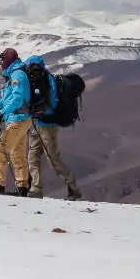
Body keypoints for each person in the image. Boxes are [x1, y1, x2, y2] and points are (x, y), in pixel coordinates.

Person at [27, 60, 83, 200]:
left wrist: (34, 110)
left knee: (53, 159)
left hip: (47, 125)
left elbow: (50, 103)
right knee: (33, 155)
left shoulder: (46, 81)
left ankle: (73, 187)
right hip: (39, 123)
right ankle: (35, 189)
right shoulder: (43, 79)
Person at [0, 48, 34, 196]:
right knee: (17, 153)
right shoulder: (14, 74)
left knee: (0, 149)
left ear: (8, 60)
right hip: (22, 119)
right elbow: (7, 100)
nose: (0, 63)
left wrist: (1, 113)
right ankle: (23, 187)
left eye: (2, 59)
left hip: (18, 120)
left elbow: (17, 100)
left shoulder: (17, 75)